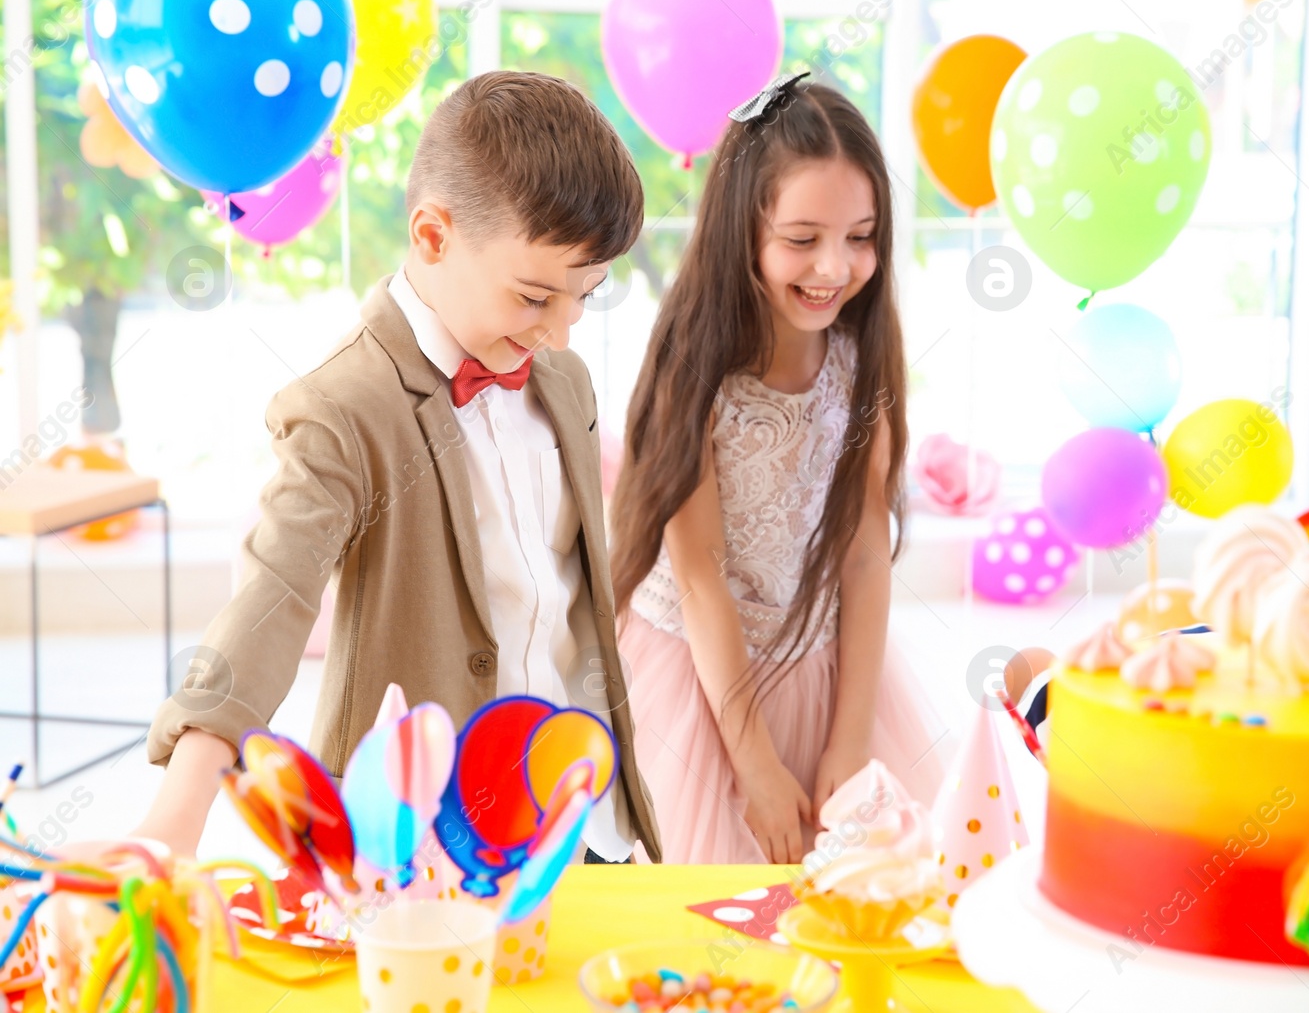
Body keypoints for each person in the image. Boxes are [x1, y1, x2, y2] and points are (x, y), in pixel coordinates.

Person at [132, 71, 661, 865]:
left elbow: (571, 597)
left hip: (581, 818)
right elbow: (270, 602)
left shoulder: (564, 381)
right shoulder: (342, 404)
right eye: (533, 297)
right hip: (418, 843)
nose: (561, 332)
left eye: (584, 295)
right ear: (433, 235)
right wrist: (172, 821)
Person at [609, 74, 945, 865]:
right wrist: (754, 764)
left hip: (818, 659)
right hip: (702, 671)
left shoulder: (862, 360)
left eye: (861, 236)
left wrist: (850, 741)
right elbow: (701, 579)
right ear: (743, 231)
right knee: (719, 908)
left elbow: (864, 553)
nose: (835, 265)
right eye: (802, 239)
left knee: (856, 886)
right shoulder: (696, 368)